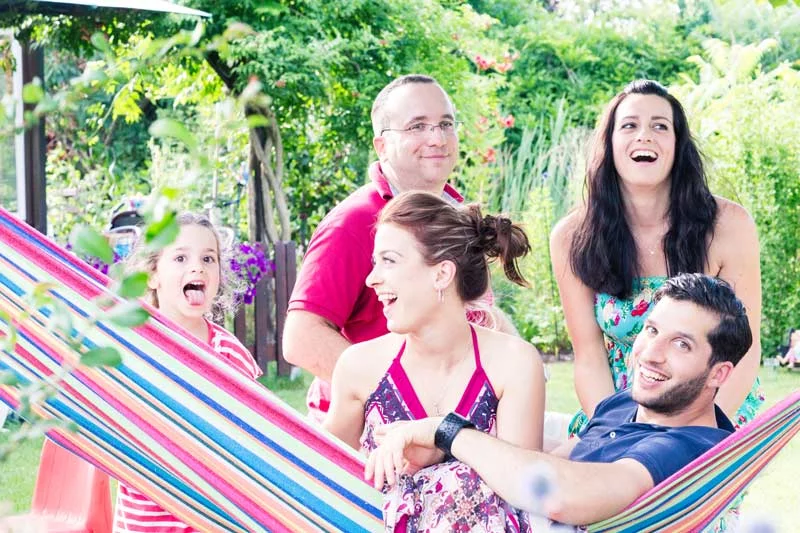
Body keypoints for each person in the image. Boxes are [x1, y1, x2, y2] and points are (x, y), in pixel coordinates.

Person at [365, 274, 750, 528]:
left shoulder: (691, 451)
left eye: (681, 344)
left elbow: (558, 494)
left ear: (719, 373)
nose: (651, 353)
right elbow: (555, 462)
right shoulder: (625, 404)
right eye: (651, 330)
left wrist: (447, 431)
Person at [284, 74, 514, 423]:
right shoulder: (355, 221)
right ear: (382, 145)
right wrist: (400, 406)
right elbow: (302, 338)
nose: (436, 138)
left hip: (451, 428)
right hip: (370, 440)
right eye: (417, 126)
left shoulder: (453, 212)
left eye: (446, 124)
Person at [549, 79, 762, 436]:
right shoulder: (572, 236)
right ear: (610, 143)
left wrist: (693, 435)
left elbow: (745, 349)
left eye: (660, 126)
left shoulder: (729, 225)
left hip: (712, 411)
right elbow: (589, 357)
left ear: (678, 146)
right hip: (618, 411)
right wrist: (619, 433)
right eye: (629, 125)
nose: (644, 136)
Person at [325, 191, 546, 531]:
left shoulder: (512, 363)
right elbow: (323, 479)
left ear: (442, 274)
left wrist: (440, 443)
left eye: (389, 260)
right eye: (375, 262)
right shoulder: (359, 367)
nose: (372, 278)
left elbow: (522, 486)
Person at [114, 212, 262, 533]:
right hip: (146, 517)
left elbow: (254, 437)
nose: (197, 267)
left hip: (215, 515)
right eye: (180, 257)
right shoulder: (132, 348)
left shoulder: (230, 355)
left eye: (209, 259)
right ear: (153, 275)